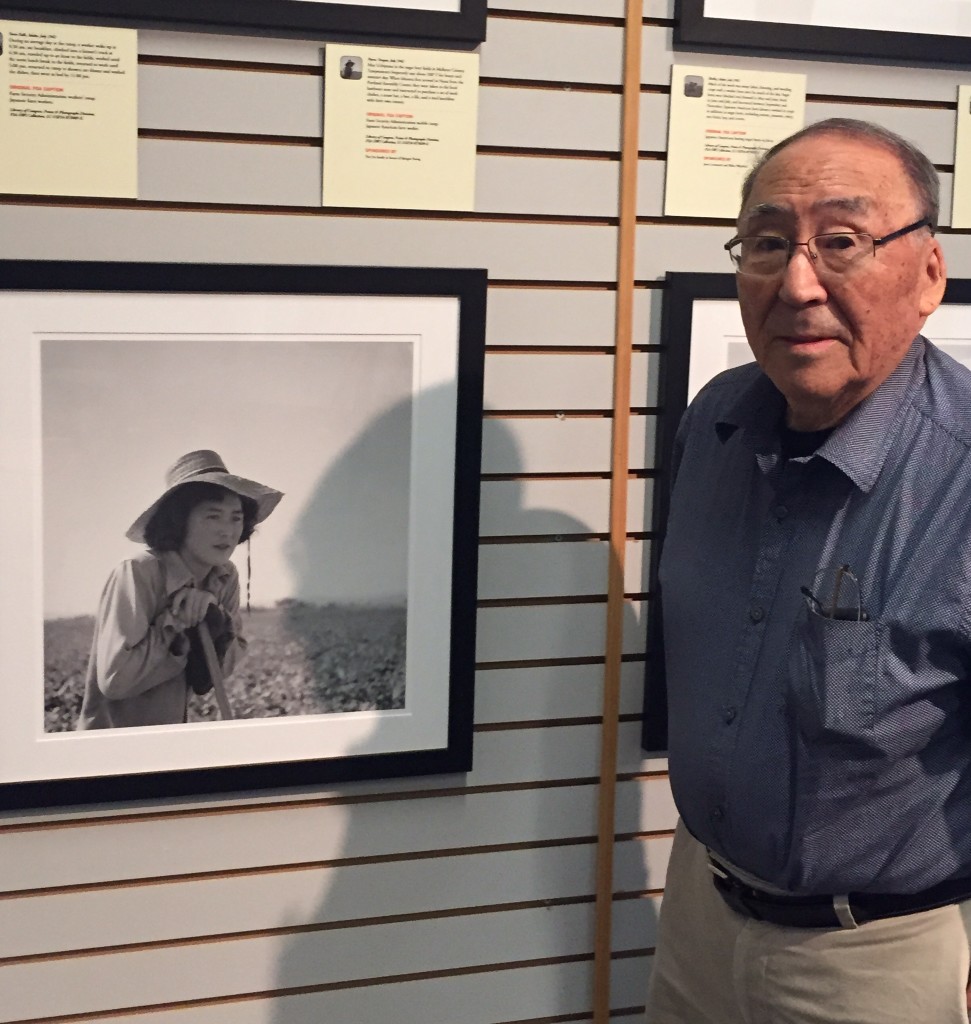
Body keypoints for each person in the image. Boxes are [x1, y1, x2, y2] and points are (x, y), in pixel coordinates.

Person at [645, 118, 971, 1023]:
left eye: (841, 242)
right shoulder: (715, 421)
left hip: (881, 956)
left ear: (928, 274)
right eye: (766, 243)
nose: (796, 283)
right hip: (700, 909)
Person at [76, 450, 283, 730]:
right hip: (112, 749)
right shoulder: (138, 572)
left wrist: (214, 618)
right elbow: (115, 680)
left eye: (236, 518)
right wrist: (176, 623)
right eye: (213, 516)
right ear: (179, 520)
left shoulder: (223, 576)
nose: (228, 531)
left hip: (172, 736)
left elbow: (212, 677)